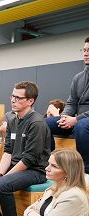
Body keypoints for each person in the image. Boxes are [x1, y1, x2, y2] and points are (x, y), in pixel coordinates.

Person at [0, 81, 51, 216]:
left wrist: (2, 178)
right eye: (12, 96)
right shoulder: (12, 120)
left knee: (1, 185)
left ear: (30, 101)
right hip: (15, 165)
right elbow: (8, 152)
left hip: (35, 171)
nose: (13, 100)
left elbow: (29, 159)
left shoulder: (36, 123)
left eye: (18, 98)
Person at [46, 37, 89, 179]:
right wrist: (64, 117)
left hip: (83, 121)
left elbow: (79, 121)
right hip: (76, 119)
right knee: (43, 123)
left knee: (81, 126)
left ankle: (85, 171)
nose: (85, 53)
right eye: (84, 50)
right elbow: (71, 103)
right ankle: (50, 162)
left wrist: (76, 119)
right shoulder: (79, 77)